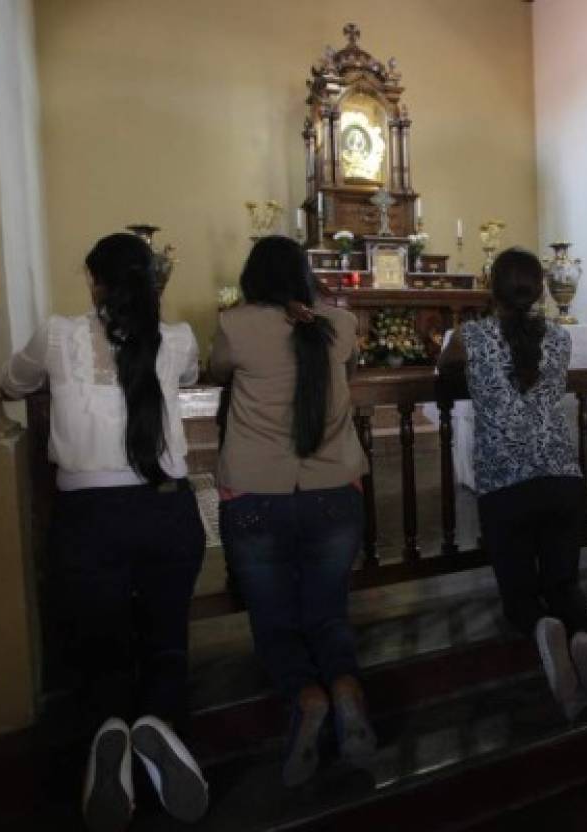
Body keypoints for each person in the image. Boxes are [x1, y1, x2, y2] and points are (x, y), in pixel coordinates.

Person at [1, 233, 208, 831]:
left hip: (88, 519)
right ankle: (158, 723)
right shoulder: (177, 339)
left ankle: (109, 734)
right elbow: (187, 373)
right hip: (168, 513)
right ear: (152, 283)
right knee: (166, 641)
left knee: (102, 646)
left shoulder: (59, 334)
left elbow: (13, 381)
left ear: (94, 282)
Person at [210, 236, 373, 787]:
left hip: (257, 494)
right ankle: (346, 687)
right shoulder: (339, 324)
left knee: (276, 620)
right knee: (327, 611)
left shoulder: (236, 326)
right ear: (306, 274)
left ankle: (306, 695)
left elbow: (216, 370)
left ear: (253, 278)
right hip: (333, 491)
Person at [438, 247, 587, 720]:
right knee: (563, 581)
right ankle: (580, 634)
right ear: (539, 291)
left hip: (506, 482)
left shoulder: (469, 336)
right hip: (561, 477)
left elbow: (445, 371)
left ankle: (541, 628)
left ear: (492, 290)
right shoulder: (559, 339)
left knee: (519, 593)